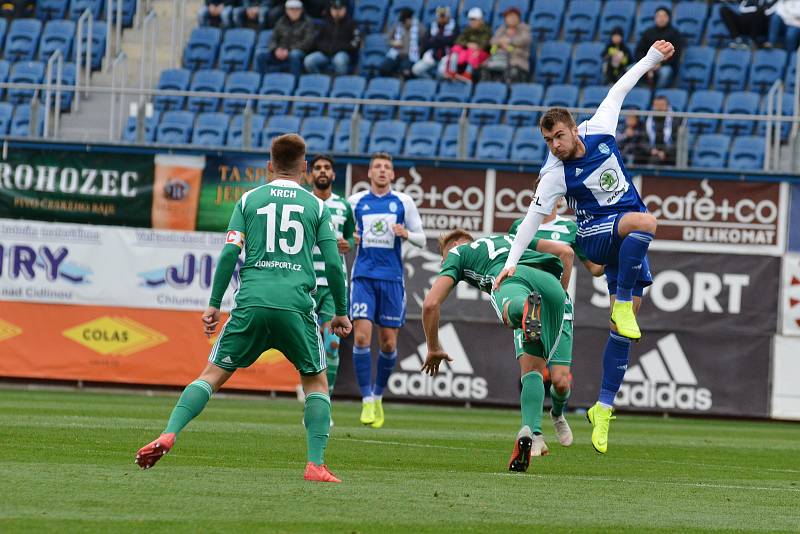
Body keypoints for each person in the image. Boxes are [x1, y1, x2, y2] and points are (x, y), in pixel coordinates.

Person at [134, 134, 352, 483]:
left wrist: (213, 304)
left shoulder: (249, 199)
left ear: (269, 166)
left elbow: (229, 254)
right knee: (315, 383)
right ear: (306, 169)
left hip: (250, 302)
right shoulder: (317, 206)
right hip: (296, 305)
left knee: (211, 376)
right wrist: (340, 311)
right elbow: (333, 261)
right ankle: (315, 464)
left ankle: (169, 433)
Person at [494, 40, 676, 455]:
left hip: (625, 238)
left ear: (574, 128)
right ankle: (623, 304)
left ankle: (604, 408)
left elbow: (622, 86)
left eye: (558, 135)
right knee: (646, 221)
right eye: (548, 140)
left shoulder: (602, 128)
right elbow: (530, 221)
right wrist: (511, 262)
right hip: (596, 234)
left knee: (622, 334)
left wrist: (651, 56)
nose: (555, 145)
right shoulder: (555, 174)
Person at [421, 229, 567, 471]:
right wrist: (557, 295)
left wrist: (433, 347)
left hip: (511, 278)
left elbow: (430, 304)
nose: (444, 263)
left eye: (443, 256)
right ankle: (530, 435)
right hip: (552, 286)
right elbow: (565, 252)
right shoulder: (509, 238)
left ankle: (523, 310)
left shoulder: (459, 252)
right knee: (533, 370)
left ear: (456, 243)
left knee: (509, 308)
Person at [508, 204, 605, 455]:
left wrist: (618, 252)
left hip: (560, 309)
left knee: (561, 382)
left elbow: (595, 268)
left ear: (560, 199)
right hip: (528, 307)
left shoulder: (570, 228)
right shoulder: (520, 227)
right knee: (532, 372)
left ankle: (558, 413)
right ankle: (534, 434)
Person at [347, 153, 425, 428]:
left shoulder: (403, 202)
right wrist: (349, 237)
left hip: (392, 279)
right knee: (361, 338)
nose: (382, 171)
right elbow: (342, 237)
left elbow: (422, 239)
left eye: (387, 168)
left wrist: (406, 234)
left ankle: (378, 395)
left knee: (389, 343)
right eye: (377, 167)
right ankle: (366, 400)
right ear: (369, 173)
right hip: (363, 278)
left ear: (392, 175)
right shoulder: (354, 202)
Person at [309, 155, 355, 400]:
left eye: (327, 167)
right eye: (317, 168)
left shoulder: (344, 206)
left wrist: (347, 243)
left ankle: (324, 402)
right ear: (311, 174)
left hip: (334, 285)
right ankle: (311, 395)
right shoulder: (304, 203)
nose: (322, 171)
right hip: (307, 283)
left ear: (334, 174)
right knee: (307, 346)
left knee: (332, 345)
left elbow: (351, 239)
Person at [303, 0, 360, 76]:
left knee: (339, 61)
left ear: (345, 9)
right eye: (334, 9)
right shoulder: (325, 23)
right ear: (330, 10)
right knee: (309, 61)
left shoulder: (352, 24)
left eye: (340, 9)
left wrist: (340, 48)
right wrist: (324, 48)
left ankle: (339, 84)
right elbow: (317, 40)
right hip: (325, 53)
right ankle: (322, 80)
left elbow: (356, 43)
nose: (337, 12)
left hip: (342, 53)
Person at [260, 0, 315, 76]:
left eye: (297, 9)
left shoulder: (308, 22)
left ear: (301, 10)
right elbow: (273, 38)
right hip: (280, 50)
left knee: (294, 55)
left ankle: (295, 81)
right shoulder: (281, 21)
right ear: (286, 10)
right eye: (291, 9)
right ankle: (261, 80)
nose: (294, 12)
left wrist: (289, 50)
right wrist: (275, 49)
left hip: (297, 51)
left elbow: (307, 42)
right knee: (260, 54)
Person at [479, 6, 532, 84]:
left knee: (512, 69)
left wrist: (509, 41)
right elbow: (493, 41)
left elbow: (525, 39)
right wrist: (500, 42)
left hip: (517, 58)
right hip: (500, 58)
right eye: (508, 17)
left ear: (518, 18)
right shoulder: (502, 28)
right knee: (484, 67)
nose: (511, 19)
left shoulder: (524, 28)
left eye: (513, 17)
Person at [636, 8, 682, 88]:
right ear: (655, 18)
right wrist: (647, 63)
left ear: (669, 18)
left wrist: (659, 64)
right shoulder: (648, 32)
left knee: (665, 73)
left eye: (664, 16)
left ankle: (657, 94)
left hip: (665, 65)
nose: (661, 18)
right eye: (659, 16)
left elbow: (676, 54)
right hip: (647, 63)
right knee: (630, 69)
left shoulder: (674, 33)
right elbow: (639, 51)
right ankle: (642, 92)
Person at [444, 7, 491, 82]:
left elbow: (485, 44)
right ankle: (452, 72)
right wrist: (467, 44)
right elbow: (458, 40)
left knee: (474, 53)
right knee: (456, 49)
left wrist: (476, 46)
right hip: (467, 52)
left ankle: (468, 74)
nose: (472, 22)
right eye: (471, 20)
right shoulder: (467, 29)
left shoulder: (486, 30)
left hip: (481, 54)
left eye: (475, 20)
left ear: (481, 20)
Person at [411, 5, 458, 79]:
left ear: (448, 16)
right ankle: (430, 81)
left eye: (443, 16)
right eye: (440, 16)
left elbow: (452, 41)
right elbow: (426, 43)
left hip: (447, 55)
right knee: (416, 70)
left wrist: (436, 39)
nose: (441, 18)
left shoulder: (454, 26)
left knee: (441, 74)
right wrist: (441, 40)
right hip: (433, 55)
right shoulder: (432, 26)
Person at [379, 8, 425, 78]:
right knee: (383, 68)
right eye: (402, 21)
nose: (403, 23)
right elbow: (387, 39)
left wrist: (419, 50)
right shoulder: (397, 26)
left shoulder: (420, 28)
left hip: (410, 56)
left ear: (410, 19)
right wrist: (393, 42)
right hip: (396, 54)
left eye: (404, 21)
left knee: (406, 72)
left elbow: (425, 42)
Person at [643, 95, 676, 166]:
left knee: (655, 160)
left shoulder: (675, 120)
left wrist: (665, 152)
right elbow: (643, 140)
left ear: (667, 106)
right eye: (656, 105)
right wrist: (651, 150)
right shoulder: (648, 120)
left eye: (662, 105)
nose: (659, 108)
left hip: (670, 153)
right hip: (652, 151)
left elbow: (677, 142)